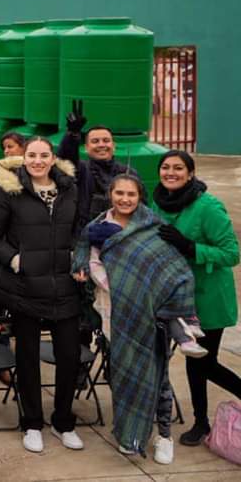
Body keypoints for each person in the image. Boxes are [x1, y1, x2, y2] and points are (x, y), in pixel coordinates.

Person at [72, 174, 201, 463]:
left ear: (139, 196)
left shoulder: (152, 226)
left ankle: (164, 436)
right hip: (115, 313)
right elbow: (83, 255)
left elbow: (172, 267)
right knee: (124, 375)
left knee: (159, 377)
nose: (125, 199)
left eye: (131, 194)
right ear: (111, 194)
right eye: (120, 193)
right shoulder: (96, 228)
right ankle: (130, 434)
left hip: (152, 313)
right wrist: (82, 269)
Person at [0, 138, 84, 454]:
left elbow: (80, 231)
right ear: (22, 158)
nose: (37, 161)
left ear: (53, 159)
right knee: (27, 360)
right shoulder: (9, 191)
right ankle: (32, 422)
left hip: (65, 288)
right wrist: (16, 260)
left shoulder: (70, 189)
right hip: (24, 289)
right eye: (31, 155)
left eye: (44, 155)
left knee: (69, 357)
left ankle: (64, 421)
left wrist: (79, 260)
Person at [149, 150, 241, 447]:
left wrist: (191, 248)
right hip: (176, 298)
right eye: (165, 167)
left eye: (178, 168)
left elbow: (232, 254)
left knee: (203, 362)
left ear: (190, 174)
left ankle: (201, 421)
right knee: (195, 360)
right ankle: (200, 422)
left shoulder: (208, 207)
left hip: (208, 297)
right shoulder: (158, 202)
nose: (170, 172)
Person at [58, 100, 134, 229]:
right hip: (86, 235)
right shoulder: (82, 169)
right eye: (95, 141)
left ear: (113, 146)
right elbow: (65, 162)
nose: (101, 145)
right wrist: (72, 134)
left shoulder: (128, 173)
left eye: (106, 140)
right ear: (86, 147)